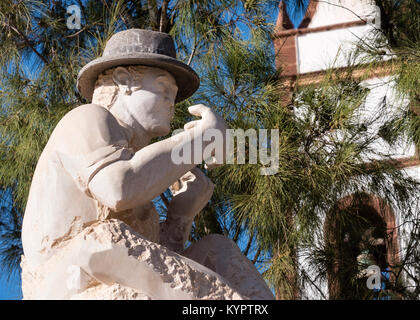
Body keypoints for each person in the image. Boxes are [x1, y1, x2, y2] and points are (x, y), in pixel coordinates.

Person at [21, 29, 273, 300]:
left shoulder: (134, 163)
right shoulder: (87, 118)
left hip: (107, 268)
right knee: (107, 237)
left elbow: (155, 260)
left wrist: (181, 214)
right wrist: (199, 140)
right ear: (123, 80)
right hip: (63, 281)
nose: (171, 102)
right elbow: (118, 189)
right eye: (164, 88)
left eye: (174, 95)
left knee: (216, 248)